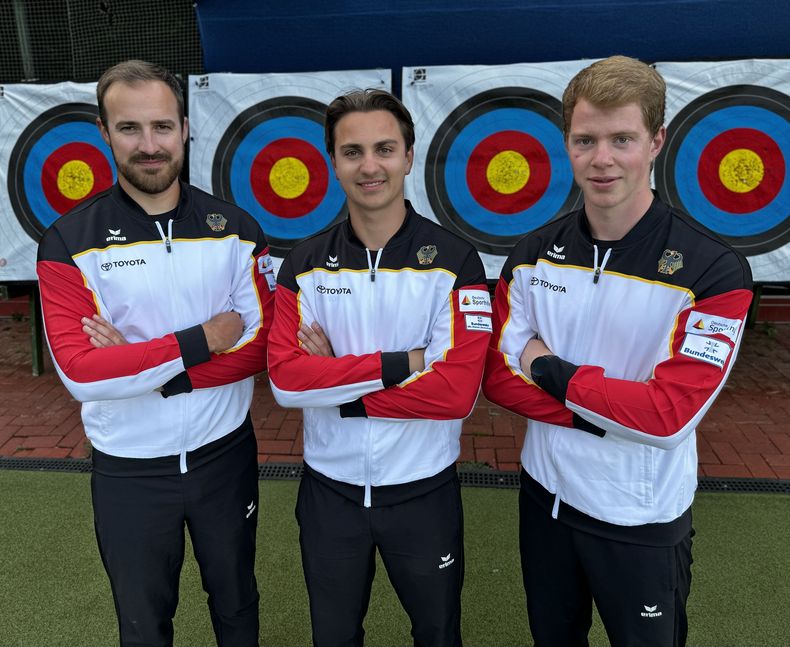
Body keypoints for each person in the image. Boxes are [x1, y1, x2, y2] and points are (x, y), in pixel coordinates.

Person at [483, 55, 753, 647]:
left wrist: (544, 365)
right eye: (586, 140)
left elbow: (666, 417)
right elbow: (498, 382)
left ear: (655, 141)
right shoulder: (530, 254)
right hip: (544, 502)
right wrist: (609, 415)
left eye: (621, 138)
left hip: (640, 518)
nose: (602, 158)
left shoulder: (713, 270)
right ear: (568, 144)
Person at [36, 60, 275, 647]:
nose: (149, 146)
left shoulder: (236, 228)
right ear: (103, 131)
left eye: (162, 127)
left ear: (186, 128)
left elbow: (262, 347)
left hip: (225, 458)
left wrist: (147, 367)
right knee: (143, 623)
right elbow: (83, 372)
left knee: (238, 604)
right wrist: (202, 340)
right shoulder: (68, 241)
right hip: (129, 470)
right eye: (130, 129)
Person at [267, 89, 492, 646]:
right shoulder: (303, 264)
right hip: (330, 493)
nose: (370, 166)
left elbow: (456, 393)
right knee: (334, 636)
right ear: (334, 162)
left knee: (438, 634)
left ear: (410, 156)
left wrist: (337, 382)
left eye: (385, 149)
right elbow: (286, 380)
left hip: (423, 492)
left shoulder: (457, 262)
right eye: (353, 152)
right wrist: (407, 363)